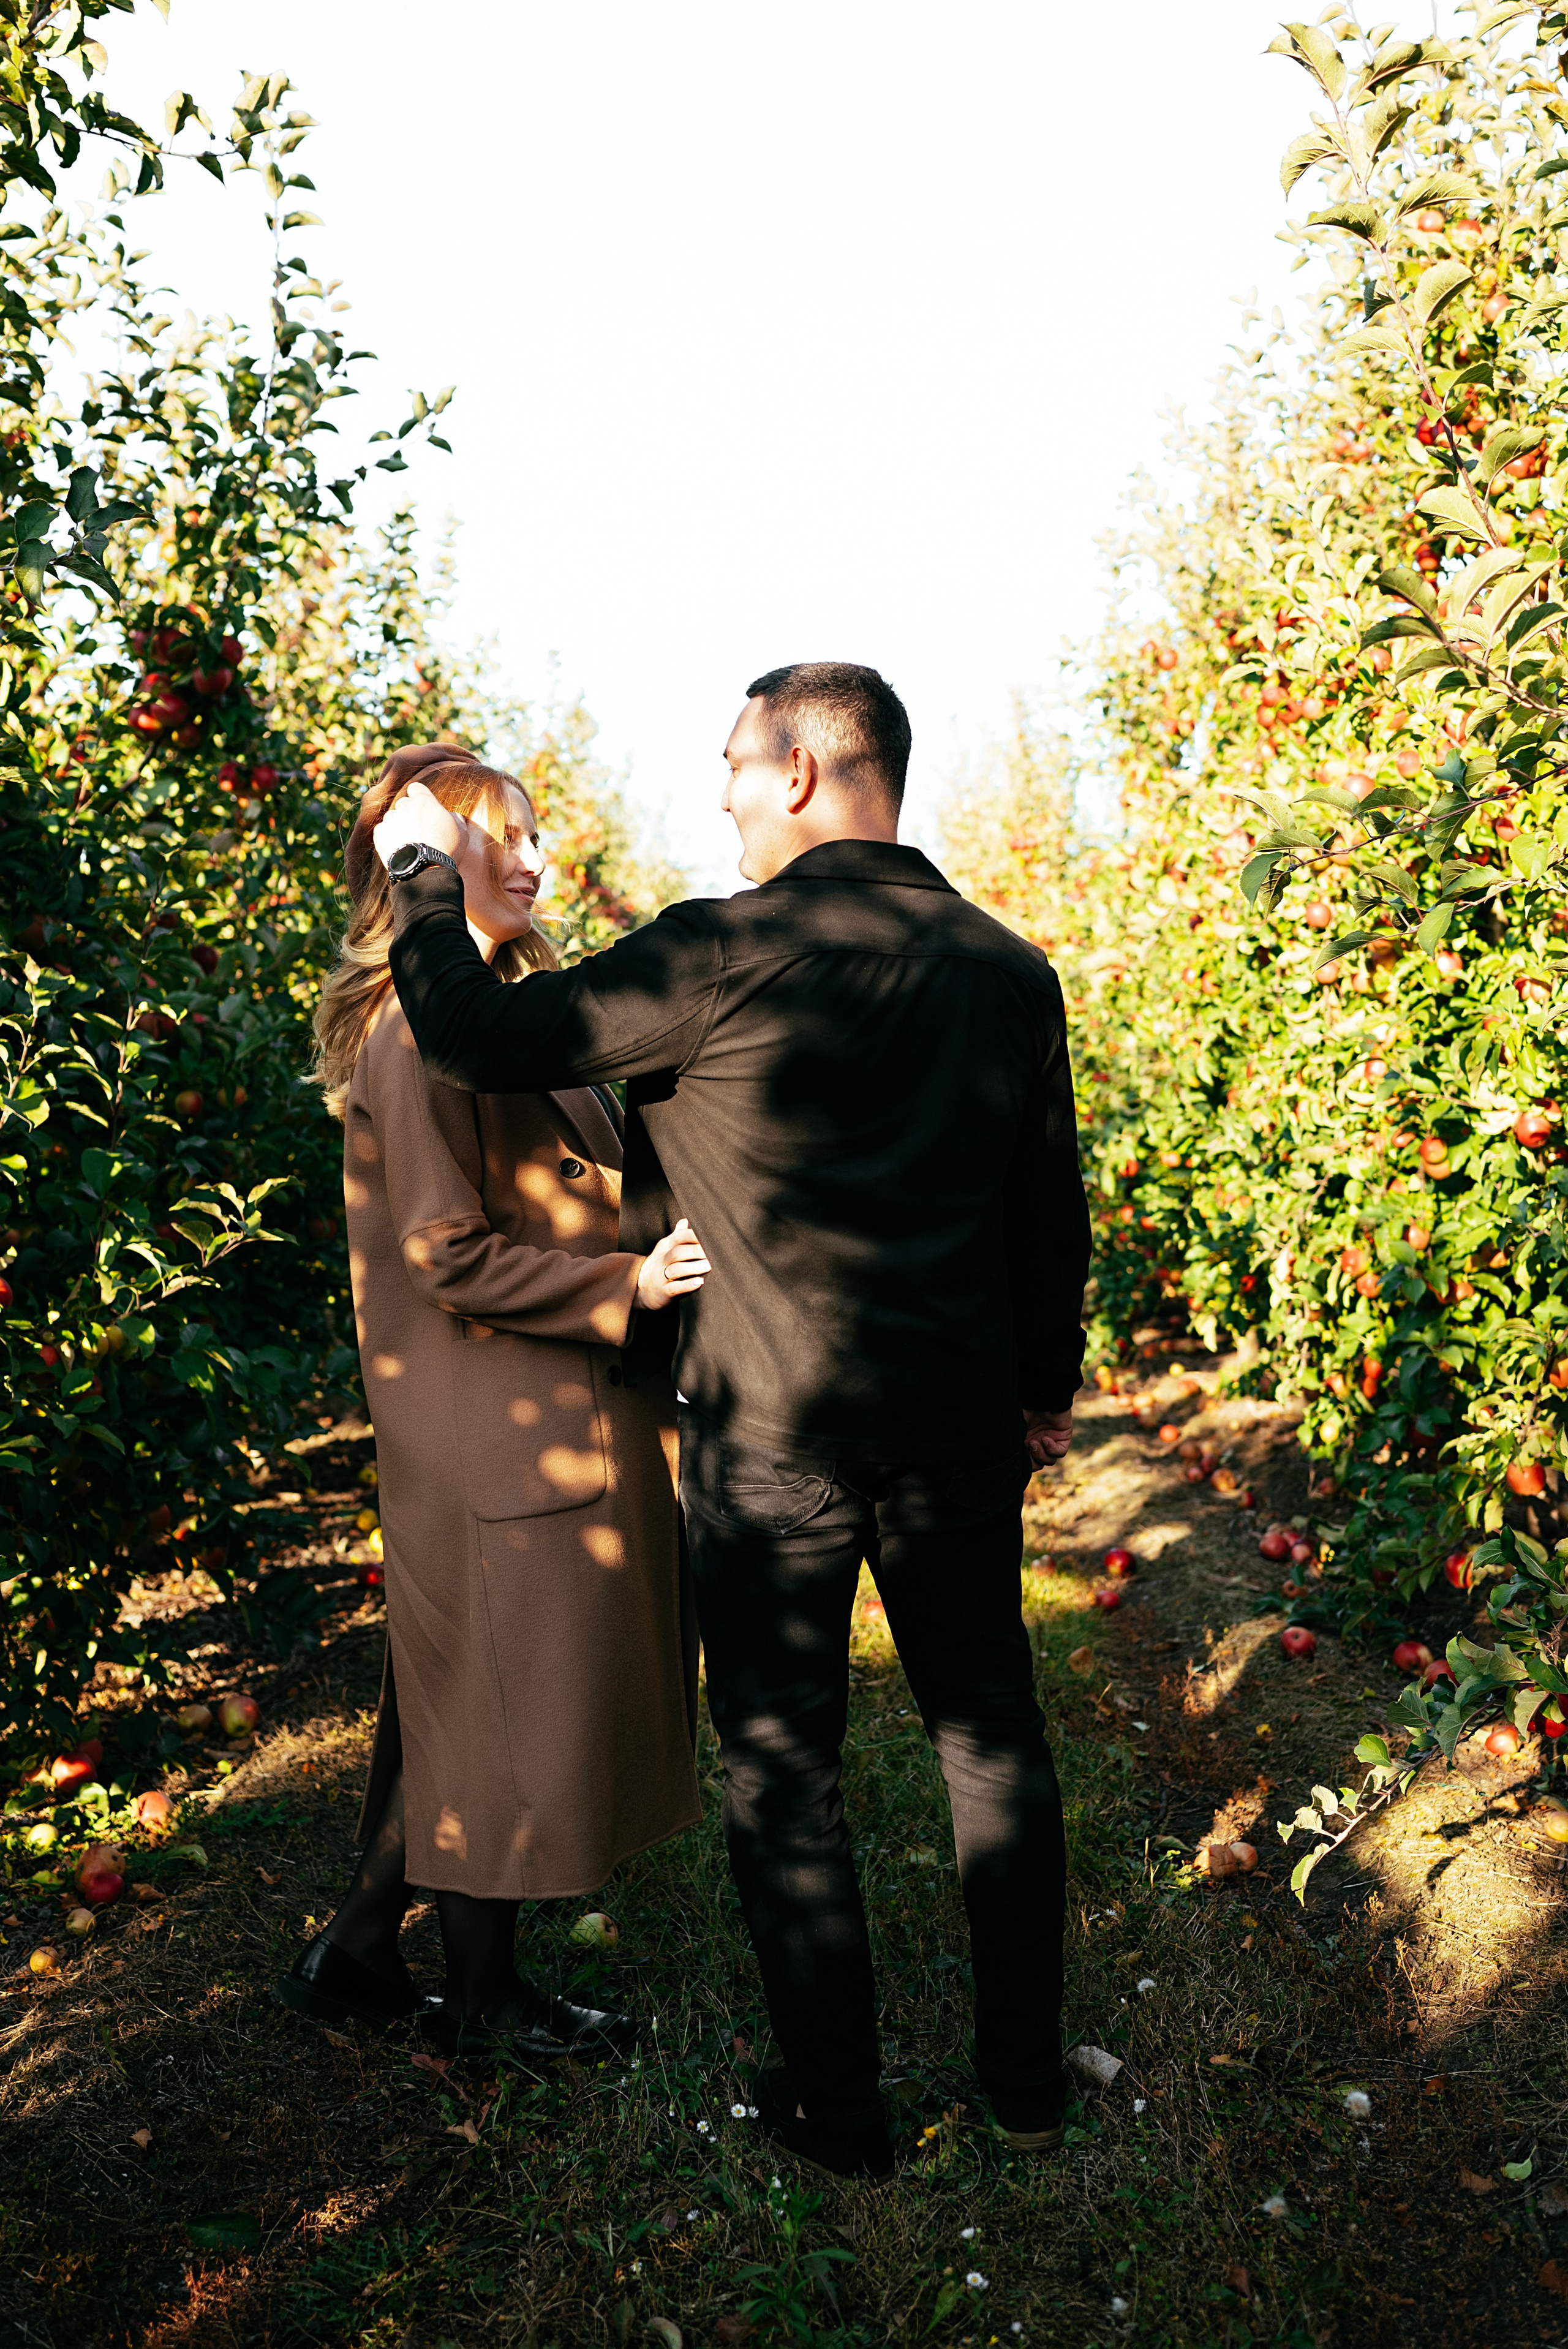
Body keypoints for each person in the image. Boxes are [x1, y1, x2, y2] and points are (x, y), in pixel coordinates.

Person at [371, 668, 1090, 2176]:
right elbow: (1045, 1212)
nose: (721, 796)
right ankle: (1025, 2083)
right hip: (954, 1423)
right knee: (990, 1738)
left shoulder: (719, 954)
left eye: (735, 766)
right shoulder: (1010, 971)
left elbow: (478, 1041)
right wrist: (1042, 1387)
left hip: (774, 1435)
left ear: (809, 771)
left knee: (786, 1768)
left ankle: (840, 2111)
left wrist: (427, 881)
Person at [276, 742, 710, 2064]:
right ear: (418, 863)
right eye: (499, 839)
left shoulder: (509, 1008)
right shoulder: (420, 1034)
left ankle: (355, 1950)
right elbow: (440, 1251)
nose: (533, 860)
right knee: (495, 1708)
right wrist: (625, 1280)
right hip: (500, 1420)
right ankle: (483, 2000)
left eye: (536, 836)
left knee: (452, 1688)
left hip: (545, 1405)